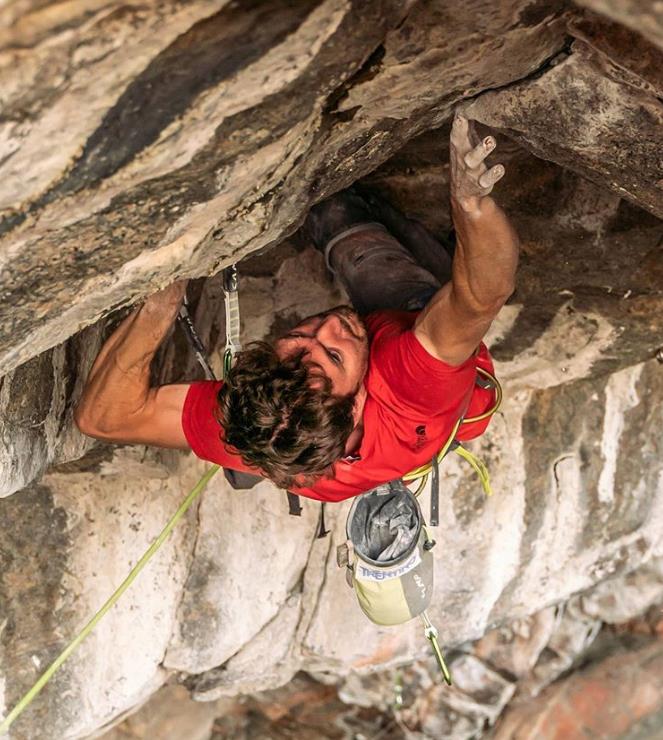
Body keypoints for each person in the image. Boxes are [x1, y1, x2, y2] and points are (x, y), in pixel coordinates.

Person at [75, 113, 519, 502]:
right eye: (334, 355)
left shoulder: (267, 425)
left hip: (383, 387)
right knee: (352, 229)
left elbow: (103, 418)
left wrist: (160, 304)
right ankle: (424, 248)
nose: (327, 326)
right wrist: (471, 205)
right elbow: (481, 295)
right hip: (423, 349)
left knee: (323, 211)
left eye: (299, 338)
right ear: (359, 403)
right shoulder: (408, 390)